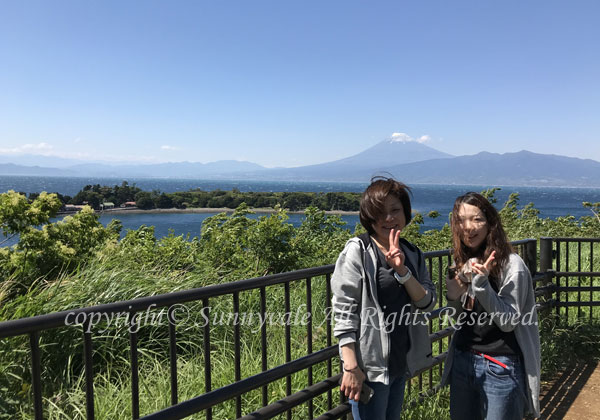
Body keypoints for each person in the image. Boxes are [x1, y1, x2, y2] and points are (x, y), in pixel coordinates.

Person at [331, 177, 437, 420]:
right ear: (369, 217)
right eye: (380, 212)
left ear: (405, 212)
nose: (389, 218)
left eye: (395, 210)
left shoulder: (412, 253)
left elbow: (427, 303)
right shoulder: (358, 251)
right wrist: (351, 367)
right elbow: (344, 312)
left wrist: (402, 272)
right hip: (369, 369)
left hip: (400, 363)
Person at [442, 192, 540, 420]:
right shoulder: (463, 262)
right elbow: (458, 317)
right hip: (463, 358)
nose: (469, 227)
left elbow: (508, 322)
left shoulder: (512, 265)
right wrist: (453, 294)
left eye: (477, 219)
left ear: (490, 223)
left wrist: (481, 284)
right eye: (461, 220)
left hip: (500, 365)